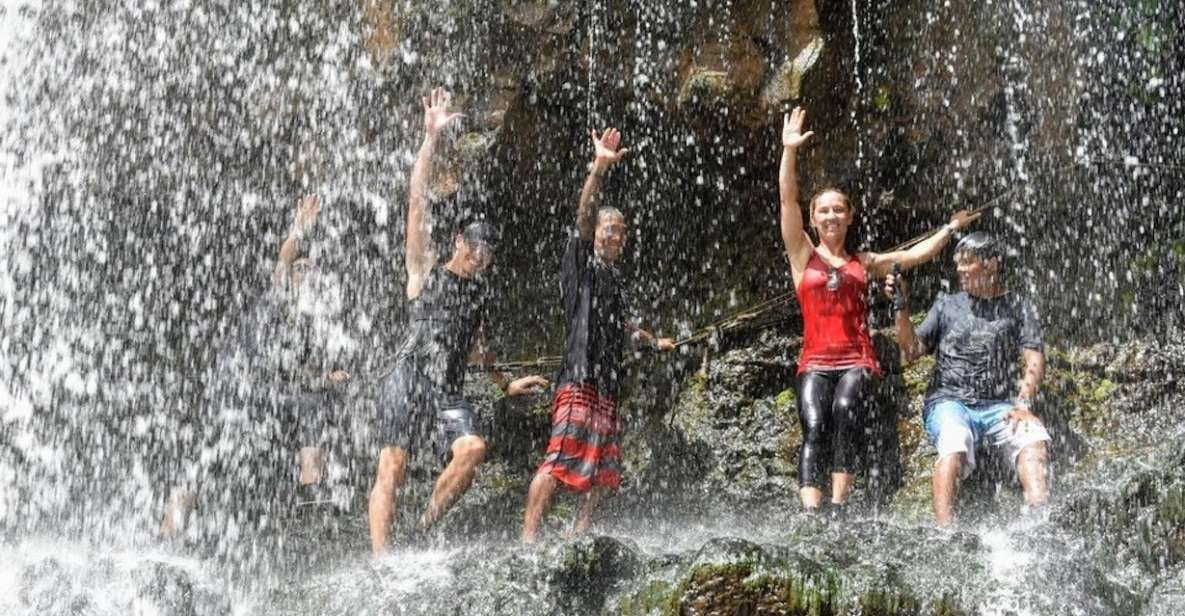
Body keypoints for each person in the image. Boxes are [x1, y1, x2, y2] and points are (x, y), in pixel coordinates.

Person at [368, 87, 547, 555]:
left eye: (488, 252)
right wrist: (430, 139)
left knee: (472, 450)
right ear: (458, 242)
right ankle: (382, 562)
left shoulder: (479, 293)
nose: (481, 257)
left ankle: (422, 529)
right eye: (476, 248)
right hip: (408, 378)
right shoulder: (423, 269)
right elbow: (416, 202)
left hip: (446, 389)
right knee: (393, 462)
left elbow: (478, 346)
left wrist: (502, 383)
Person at [777, 107, 978, 515]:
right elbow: (786, 198)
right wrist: (789, 151)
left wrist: (950, 229)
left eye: (839, 210)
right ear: (813, 219)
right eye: (824, 211)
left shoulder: (863, 262)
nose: (831, 216)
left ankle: (837, 505)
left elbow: (913, 255)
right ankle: (811, 511)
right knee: (815, 425)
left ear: (849, 217)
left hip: (857, 359)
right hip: (814, 361)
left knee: (846, 412)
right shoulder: (802, 257)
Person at [160, 193, 356, 536]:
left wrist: (326, 377)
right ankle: (167, 536)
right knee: (208, 461)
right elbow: (284, 262)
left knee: (314, 404)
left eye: (312, 269)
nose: (306, 273)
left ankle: (311, 500)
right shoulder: (279, 297)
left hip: (268, 393)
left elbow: (295, 371)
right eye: (300, 268)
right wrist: (298, 229)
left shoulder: (309, 322)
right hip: (237, 389)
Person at [520, 127, 676, 543]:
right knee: (558, 461)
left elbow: (622, 327)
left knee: (607, 472)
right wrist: (599, 168)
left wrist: (650, 340)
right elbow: (585, 214)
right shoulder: (581, 262)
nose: (612, 235)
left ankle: (580, 533)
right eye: (607, 229)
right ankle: (529, 541)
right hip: (579, 376)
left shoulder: (616, 279)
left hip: (607, 385)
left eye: (619, 232)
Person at [886, 231, 1050, 527]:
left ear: (992, 264)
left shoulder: (1019, 305)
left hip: (998, 404)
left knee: (1033, 437)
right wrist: (901, 306)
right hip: (949, 402)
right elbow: (912, 350)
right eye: (958, 263)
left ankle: (1039, 518)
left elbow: (1034, 358)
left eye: (968, 262)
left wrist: (1023, 403)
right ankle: (945, 531)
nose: (960, 269)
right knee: (955, 441)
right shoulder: (946, 305)